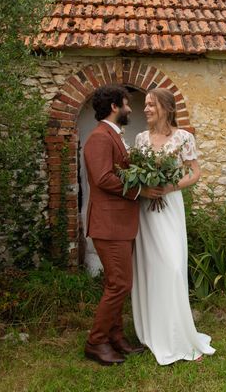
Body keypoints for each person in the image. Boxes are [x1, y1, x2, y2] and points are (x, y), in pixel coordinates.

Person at [131, 88, 216, 365]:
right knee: (151, 268)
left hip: (169, 207)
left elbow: (195, 171)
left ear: (166, 108)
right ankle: (153, 334)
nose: (146, 109)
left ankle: (179, 336)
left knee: (173, 266)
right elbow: (134, 172)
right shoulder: (141, 139)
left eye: (151, 104)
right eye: (145, 105)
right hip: (147, 210)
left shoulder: (183, 138)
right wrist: (145, 187)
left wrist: (171, 186)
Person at [82, 84, 162, 366]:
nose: (130, 109)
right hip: (109, 225)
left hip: (120, 224)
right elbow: (103, 179)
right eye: (126, 104)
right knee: (119, 285)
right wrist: (140, 190)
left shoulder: (113, 136)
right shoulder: (99, 138)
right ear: (115, 106)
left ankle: (116, 337)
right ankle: (96, 341)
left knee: (116, 283)